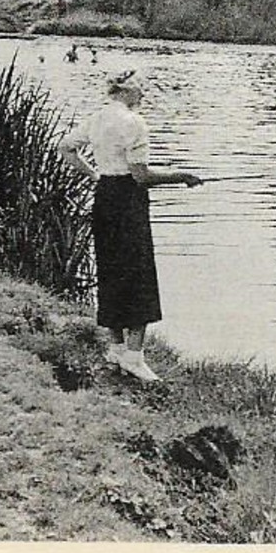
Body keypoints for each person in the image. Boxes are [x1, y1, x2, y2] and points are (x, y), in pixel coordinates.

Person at [58, 68, 202, 382]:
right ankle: (134, 358)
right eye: (140, 89)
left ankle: (116, 348)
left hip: (104, 195)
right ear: (125, 90)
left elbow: (66, 148)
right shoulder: (134, 122)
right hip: (128, 200)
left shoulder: (97, 117)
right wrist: (183, 176)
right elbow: (140, 175)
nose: (143, 95)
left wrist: (95, 176)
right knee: (138, 272)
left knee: (110, 268)